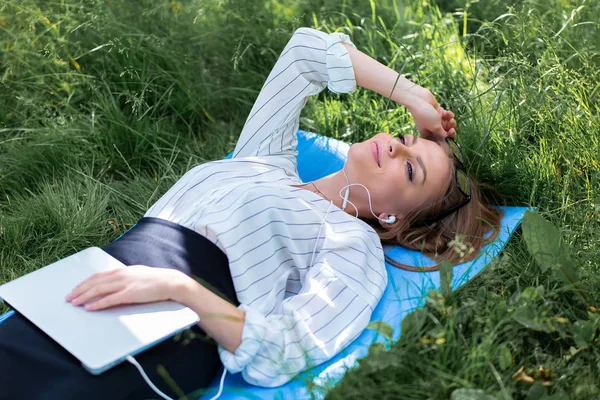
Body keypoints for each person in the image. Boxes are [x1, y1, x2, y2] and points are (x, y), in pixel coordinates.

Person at [0, 28, 502, 399]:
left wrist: (184, 292)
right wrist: (411, 95)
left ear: (397, 220)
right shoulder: (265, 158)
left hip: (164, 336)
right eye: (404, 139)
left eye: (411, 171)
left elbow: (291, 348)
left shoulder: (354, 245)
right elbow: (306, 51)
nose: (394, 148)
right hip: (91, 287)